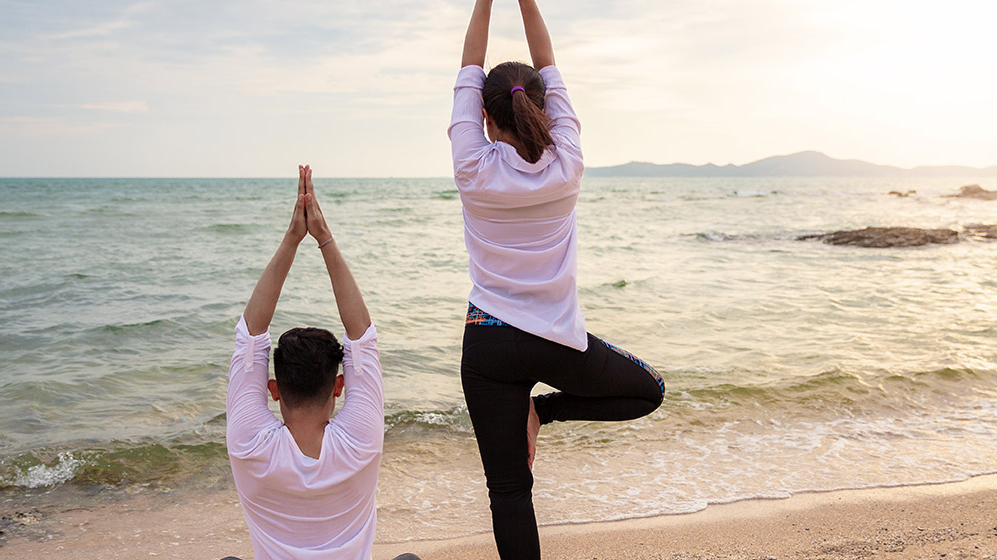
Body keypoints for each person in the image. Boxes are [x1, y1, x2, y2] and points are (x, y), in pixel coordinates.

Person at [449, 1, 667, 558]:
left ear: (484, 119)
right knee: (650, 391)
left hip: (489, 341)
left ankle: (537, 411)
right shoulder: (567, 161)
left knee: (509, 492)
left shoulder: (472, 167)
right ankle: (543, 411)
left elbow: (469, 67)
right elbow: (545, 60)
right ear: (544, 110)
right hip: (557, 343)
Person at [224, 166, 416, 560]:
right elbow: (362, 335)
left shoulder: (248, 445)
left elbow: (250, 336)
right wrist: (323, 238)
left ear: (273, 391)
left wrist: (291, 240)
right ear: (339, 386)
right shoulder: (361, 442)